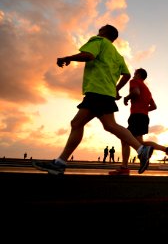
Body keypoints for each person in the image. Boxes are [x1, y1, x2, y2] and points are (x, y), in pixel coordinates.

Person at [32, 24, 153, 175]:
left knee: (89, 124)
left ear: (103, 32)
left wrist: (68, 58)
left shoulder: (98, 41)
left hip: (96, 90)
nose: (98, 31)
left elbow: (89, 55)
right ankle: (141, 149)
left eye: (100, 30)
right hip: (106, 93)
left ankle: (60, 163)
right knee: (100, 124)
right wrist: (115, 89)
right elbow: (127, 75)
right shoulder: (117, 55)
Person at [109, 68, 168, 175]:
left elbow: (136, 92)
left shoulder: (134, 82)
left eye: (135, 74)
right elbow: (154, 106)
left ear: (138, 74)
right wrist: (144, 109)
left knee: (125, 139)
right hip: (144, 117)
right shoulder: (147, 90)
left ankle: (124, 168)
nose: (133, 76)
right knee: (139, 142)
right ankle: (167, 150)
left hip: (136, 116)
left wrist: (126, 98)